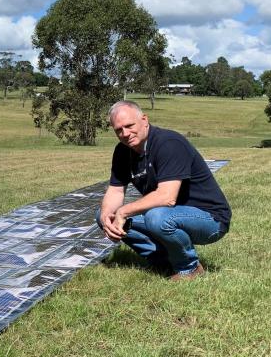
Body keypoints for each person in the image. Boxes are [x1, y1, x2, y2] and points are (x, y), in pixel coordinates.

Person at [97, 100, 231, 280]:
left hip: (210, 219)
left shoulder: (169, 143)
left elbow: (167, 197)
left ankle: (189, 269)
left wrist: (123, 211)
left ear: (144, 120)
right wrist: (108, 216)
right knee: (104, 215)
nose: (125, 133)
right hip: (171, 214)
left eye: (129, 126)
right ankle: (165, 262)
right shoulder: (123, 151)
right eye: (118, 130)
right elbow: (115, 191)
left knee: (156, 217)